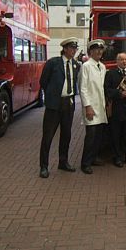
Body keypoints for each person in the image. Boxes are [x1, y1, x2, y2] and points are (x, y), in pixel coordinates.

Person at [39, 37, 80, 178]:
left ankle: (63, 162)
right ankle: (44, 166)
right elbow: (43, 81)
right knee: (48, 136)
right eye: (72, 48)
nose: (74, 51)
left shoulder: (75, 65)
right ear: (65, 49)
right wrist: (52, 95)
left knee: (66, 135)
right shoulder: (53, 63)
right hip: (54, 104)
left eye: (75, 48)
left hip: (68, 104)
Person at [104, 52, 126, 168]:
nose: (124, 62)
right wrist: (120, 94)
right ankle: (117, 158)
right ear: (117, 61)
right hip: (116, 109)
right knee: (116, 135)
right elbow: (107, 90)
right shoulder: (111, 74)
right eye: (121, 60)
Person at [79, 39, 108, 174]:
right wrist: (87, 107)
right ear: (90, 52)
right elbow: (83, 88)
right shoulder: (86, 66)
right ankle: (85, 163)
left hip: (100, 106)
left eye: (101, 50)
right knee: (90, 136)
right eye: (96, 50)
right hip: (91, 106)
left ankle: (94, 157)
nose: (99, 52)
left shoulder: (102, 66)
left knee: (99, 136)